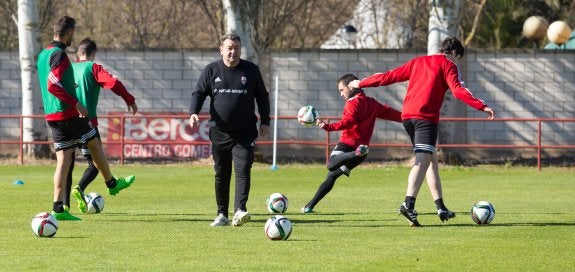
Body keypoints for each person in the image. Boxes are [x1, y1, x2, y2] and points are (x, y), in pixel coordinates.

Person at [349, 37, 495, 227]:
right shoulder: (449, 65)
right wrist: (481, 106)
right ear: (455, 53)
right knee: (422, 161)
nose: (456, 61)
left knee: (431, 158)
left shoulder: (417, 62)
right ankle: (408, 204)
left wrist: (361, 84)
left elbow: (388, 76)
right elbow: (458, 90)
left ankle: (441, 207)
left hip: (408, 116)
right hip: (425, 118)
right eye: (457, 58)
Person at [37, 16, 135, 221]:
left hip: (51, 115)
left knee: (63, 160)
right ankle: (111, 183)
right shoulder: (61, 55)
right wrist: (75, 103)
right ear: (70, 32)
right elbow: (52, 84)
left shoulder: (42, 55)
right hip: (67, 112)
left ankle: (59, 208)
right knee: (94, 143)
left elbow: (52, 83)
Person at [188, 33, 270, 227]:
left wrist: (265, 121)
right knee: (222, 173)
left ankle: (240, 210)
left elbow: (262, 97)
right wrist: (193, 112)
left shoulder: (250, 70)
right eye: (229, 48)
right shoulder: (212, 70)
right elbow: (199, 93)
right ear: (221, 49)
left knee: (243, 170)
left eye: (237, 48)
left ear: (241, 50)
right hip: (219, 132)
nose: (233, 52)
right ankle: (222, 214)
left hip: (245, 132)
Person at [301, 74, 402, 213]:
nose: (341, 94)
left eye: (342, 90)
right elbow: (389, 113)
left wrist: (327, 127)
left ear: (351, 86)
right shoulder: (371, 102)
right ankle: (309, 206)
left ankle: (355, 153)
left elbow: (348, 122)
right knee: (332, 176)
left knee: (331, 165)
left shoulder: (352, 102)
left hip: (348, 146)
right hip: (361, 152)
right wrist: (407, 118)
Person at [68, 38, 139, 213]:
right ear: (92, 54)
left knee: (68, 163)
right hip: (87, 122)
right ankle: (100, 186)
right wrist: (129, 100)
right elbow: (113, 83)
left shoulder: (68, 69)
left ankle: (63, 204)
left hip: (66, 122)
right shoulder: (92, 67)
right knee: (95, 162)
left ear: (78, 53)